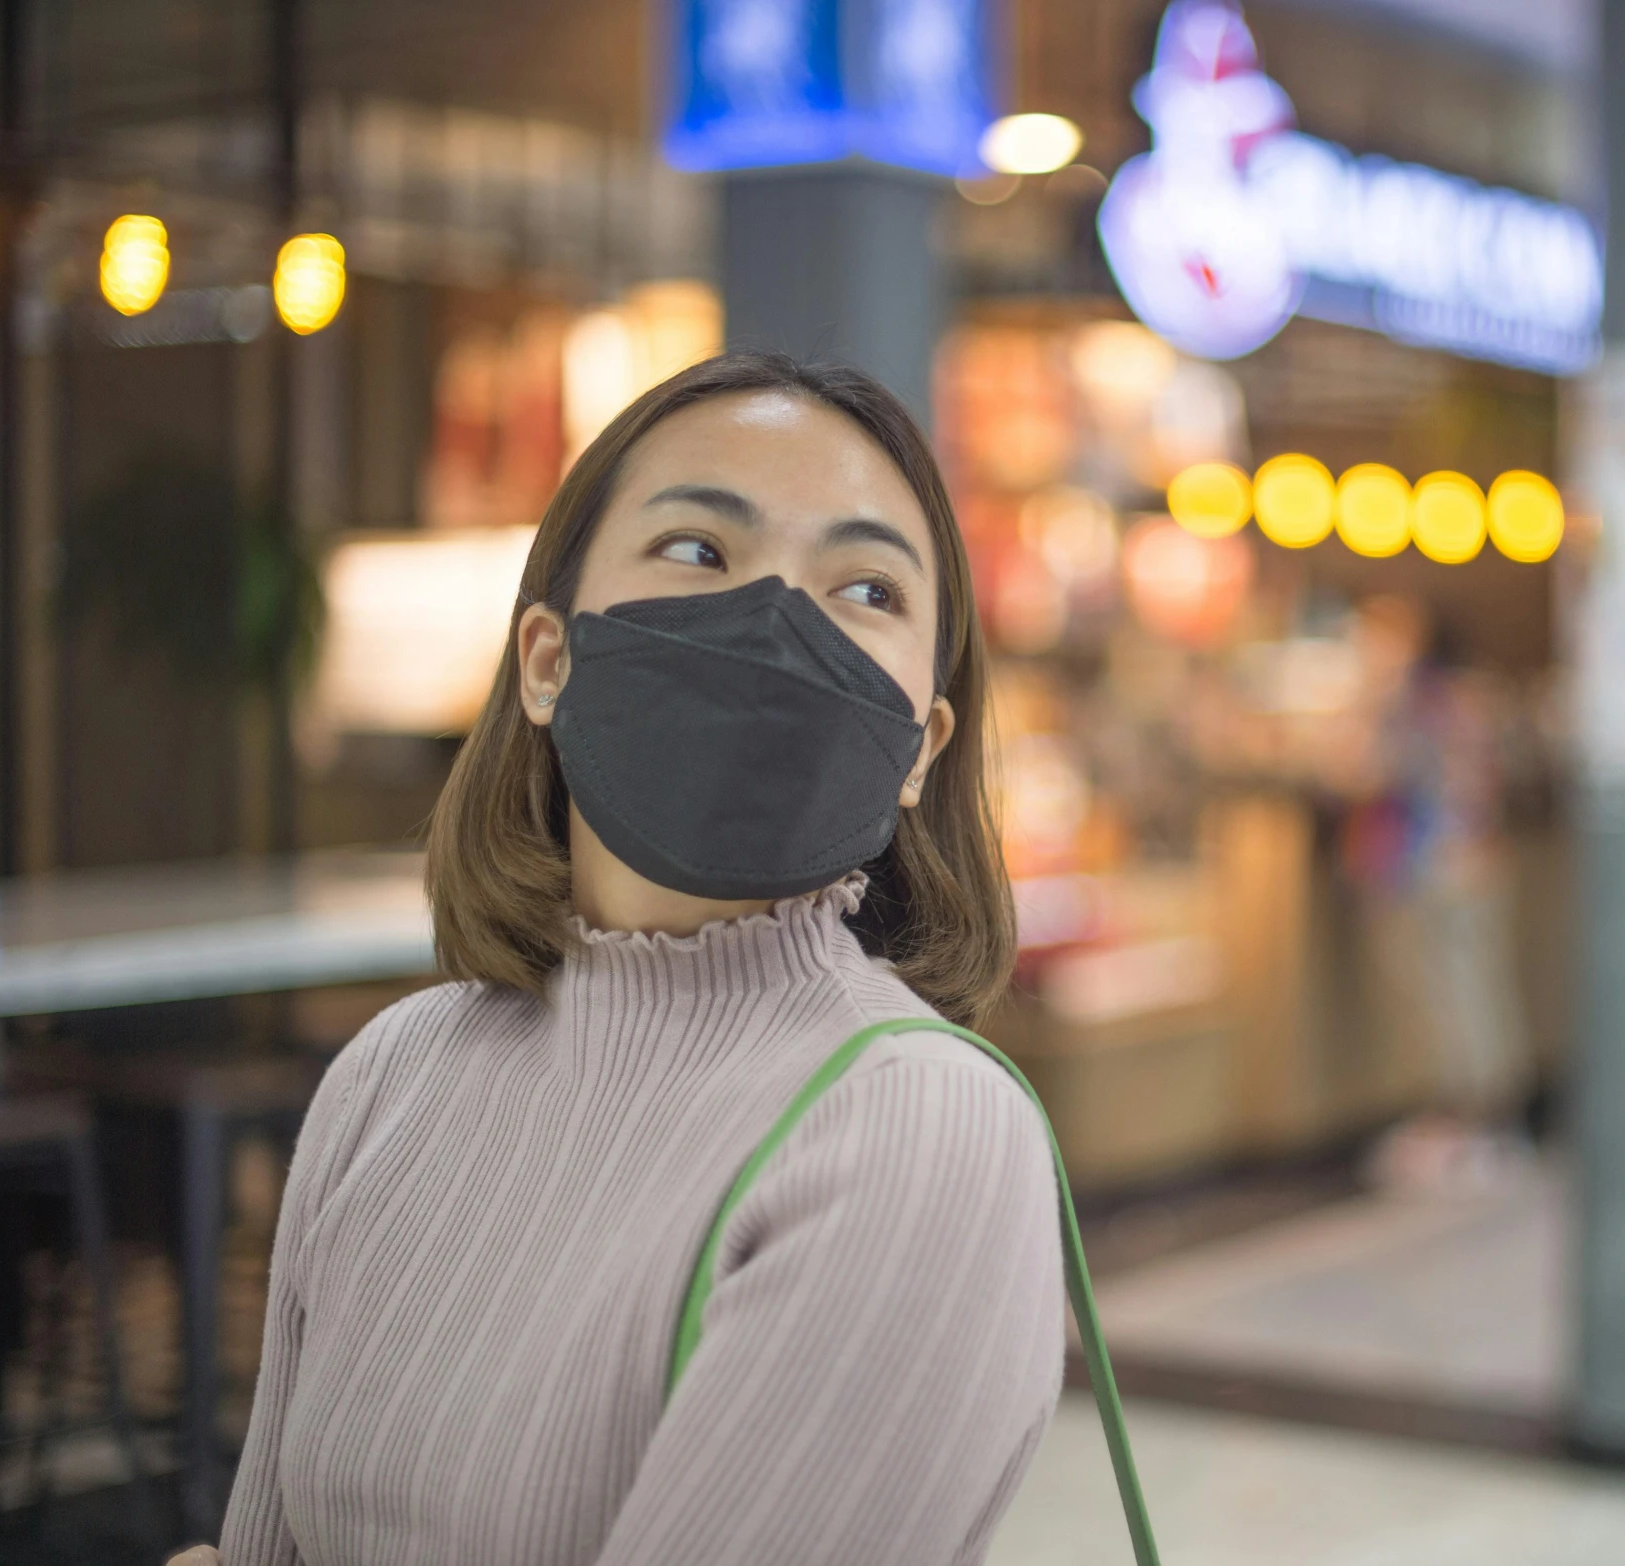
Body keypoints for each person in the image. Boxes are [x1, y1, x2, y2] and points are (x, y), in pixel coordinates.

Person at [178, 353, 1060, 1564]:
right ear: (549, 659)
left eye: (865, 588)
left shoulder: (919, 1129)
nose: (777, 622)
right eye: (698, 551)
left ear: (920, 746)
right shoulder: (395, 1072)